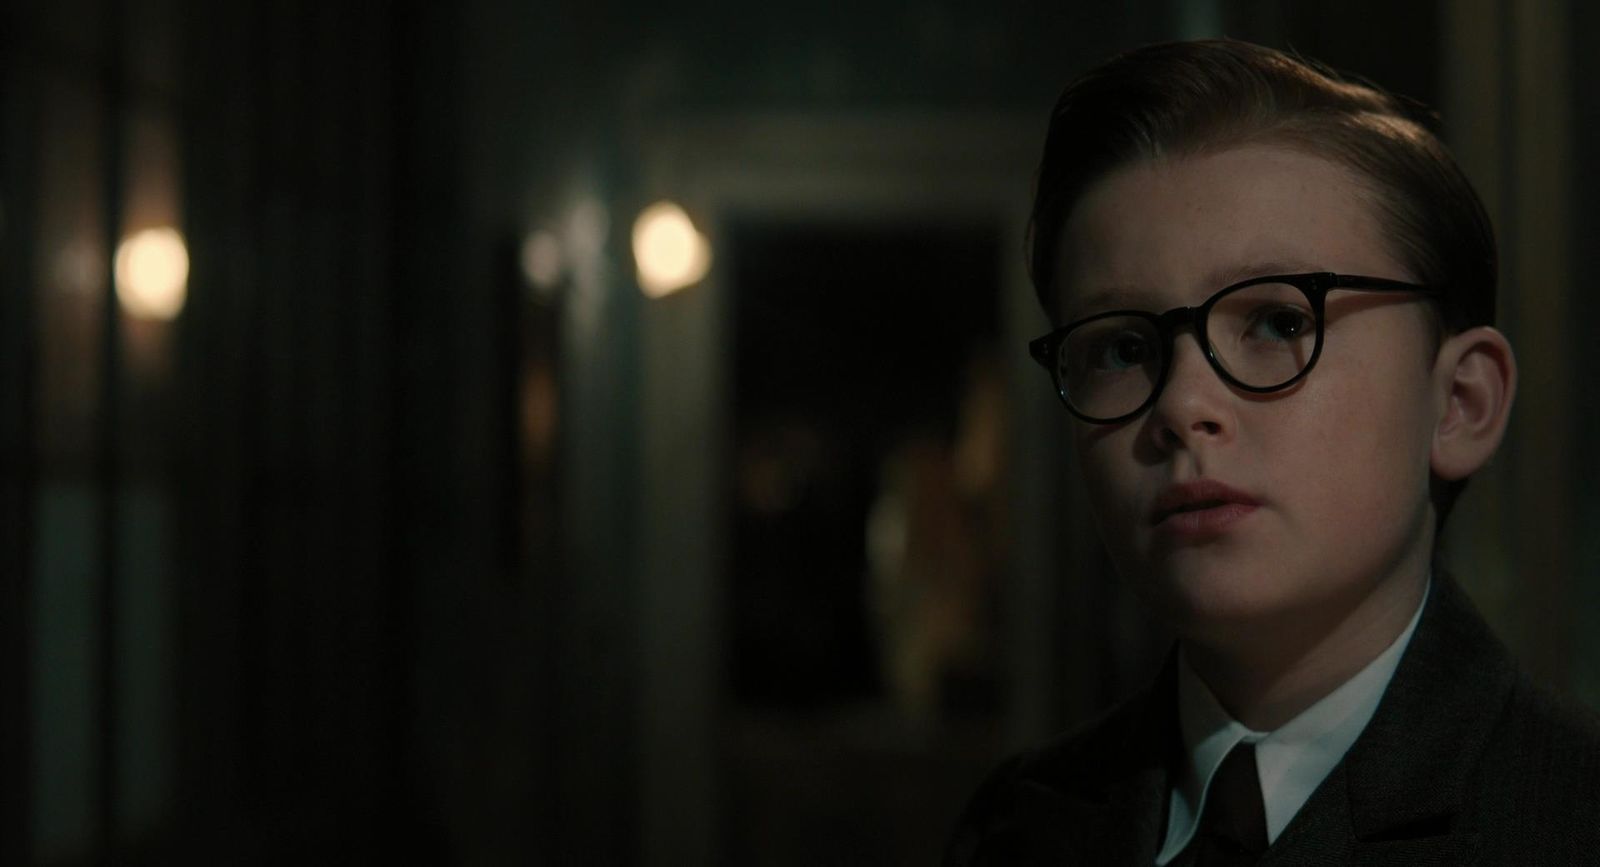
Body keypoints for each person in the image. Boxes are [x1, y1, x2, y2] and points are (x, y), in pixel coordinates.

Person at [944, 39, 1600, 865]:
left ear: (1460, 402)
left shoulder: (1566, 818)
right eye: (1121, 348)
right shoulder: (1014, 828)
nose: (1183, 405)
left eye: (1280, 322)